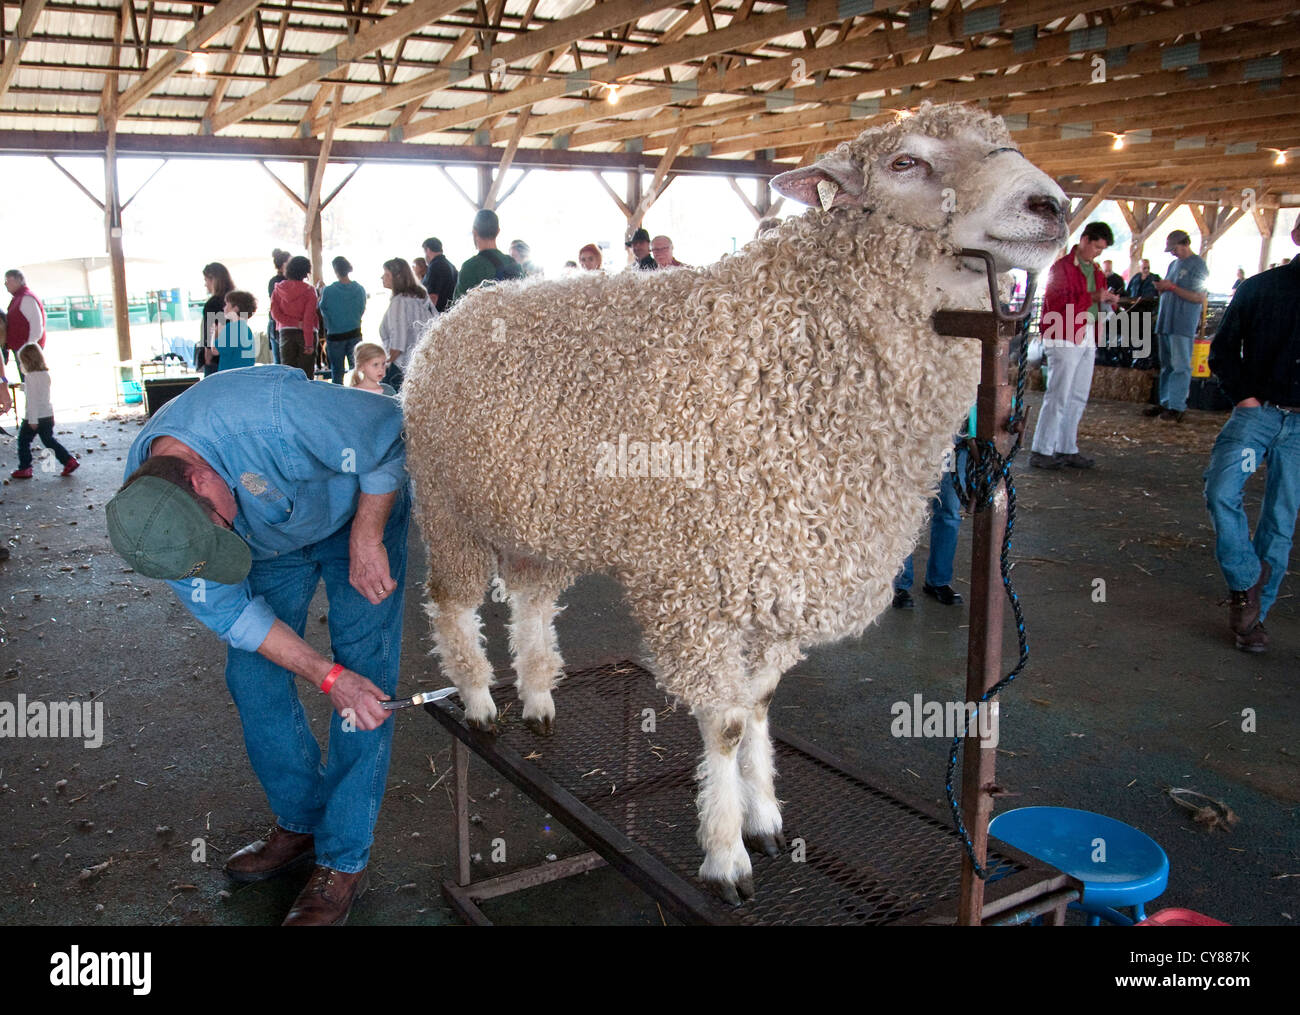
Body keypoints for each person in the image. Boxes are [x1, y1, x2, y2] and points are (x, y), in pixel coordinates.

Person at [105, 367, 409, 925]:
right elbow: (235, 614)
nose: (215, 539)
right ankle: (300, 823)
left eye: (216, 528)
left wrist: (368, 535)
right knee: (254, 676)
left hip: (357, 515)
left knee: (365, 681)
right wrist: (325, 675)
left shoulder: (270, 413)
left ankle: (343, 859)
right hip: (269, 544)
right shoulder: (151, 522)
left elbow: (389, 430)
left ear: (200, 478)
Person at [1202, 219, 1300, 654]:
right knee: (1221, 489)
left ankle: (1253, 616)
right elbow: (1223, 349)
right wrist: (1244, 398)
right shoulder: (1261, 288)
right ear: (1297, 235)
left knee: (1282, 517)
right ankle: (1245, 581)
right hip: (1258, 415)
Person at [1029, 221, 1120, 470]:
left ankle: (1067, 447)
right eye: (1096, 247)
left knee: (1078, 394)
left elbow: (1098, 302)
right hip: (1063, 333)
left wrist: (1110, 301)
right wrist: (1092, 297)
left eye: (1102, 250)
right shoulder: (1062, 268)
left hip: (1088, 332)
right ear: (1085, 240)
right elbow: (1057, 300)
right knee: (1058, 393)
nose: (1098, 253)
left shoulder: (1097, 271)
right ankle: (1041, 449)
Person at [892, 442, 968, 609]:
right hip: (918, 438)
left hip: (951, 444)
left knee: (949, 509)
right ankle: (900, 583)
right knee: (907, 509)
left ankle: (939, 581)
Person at [1144, 229, 1208, 423]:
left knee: (1180, 365)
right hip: (1166, 320)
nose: (1173, 253)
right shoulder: (1173, 264)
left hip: (1182, 322)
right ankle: (1165, 401)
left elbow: (1199, 297)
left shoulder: (1198, 265)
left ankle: (1177, 405)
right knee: (1167, 365)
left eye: (1175, 249)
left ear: (1185, 243)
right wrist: (1162, 287)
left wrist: (1171, 287)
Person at [10, 344, 77, 479]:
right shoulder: (45, 375)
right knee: (49, 441)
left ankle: (25, 467)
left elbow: (32, 400)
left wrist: (32, 420)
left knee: (23, 441)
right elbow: (40, 391)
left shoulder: (29, 378)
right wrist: (24, 387)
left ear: (27, 361)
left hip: (34, 417)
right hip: (47, 415)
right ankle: (68, 460)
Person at [379, 257, 434, 393]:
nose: (382, 277)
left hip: (401, 367)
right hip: (423, 363)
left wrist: (385, 364)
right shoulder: (421, 296)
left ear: (397, 277)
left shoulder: (399, 302)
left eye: (386, 274)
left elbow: (398, 343)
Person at [452, 209, 525, 304]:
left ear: (474, 232)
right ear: (498, 231)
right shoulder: (514, 264)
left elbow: (456, 310)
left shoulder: (470, 267)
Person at [318, 256, 367, 385]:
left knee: (337, 372)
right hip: (355, 333)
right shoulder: (359, 289)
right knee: (356, 372)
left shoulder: (328, 291)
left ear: (335, 270)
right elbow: (362, 309)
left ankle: (338, 401)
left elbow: (322, 309)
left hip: (335, 336)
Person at [270, 255, 319, 378]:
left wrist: (292, 322)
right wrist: (308, 343)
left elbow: (275, 314)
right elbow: (308, 318)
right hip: (306, 334)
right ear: (306, 272)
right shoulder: (310, 291)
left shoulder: (278, 289)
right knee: (306, 375)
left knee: (288, 373)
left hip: (285, 333)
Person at [4, 269, 46, 375]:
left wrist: (29, 348)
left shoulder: (26, 298)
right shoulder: (18, 298)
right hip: (23, 348)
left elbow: (37, 326)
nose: (5, 284)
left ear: (18, 280)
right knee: (27, 381)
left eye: (8, 280)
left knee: (33, 380)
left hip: (28, 350)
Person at [199, 263, 236, 377]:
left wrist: (208, 355)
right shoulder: (236, 300)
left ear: (213, 280)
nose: (205, 284)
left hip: (217, 358)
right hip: (234, 354)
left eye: (206, 280)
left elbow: (209, 333)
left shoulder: (212, 303)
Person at [214, 291, 260, 371]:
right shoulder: (246, 329)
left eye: (226, 304)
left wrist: (217, 331)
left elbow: (215, 351)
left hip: (230, 376)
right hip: (245, 374)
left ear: (235, 308)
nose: (223, 308)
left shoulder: (232, 328)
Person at [421, 237, 458, 313]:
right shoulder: (450, 265)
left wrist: (423, 316)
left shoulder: (435, 266)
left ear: (427, 250)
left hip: (438, 316)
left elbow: (433, 297)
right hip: (450, 313)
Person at [266, 249, 291, 365]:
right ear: (282, 265)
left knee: (281, 362)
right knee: (282, 362)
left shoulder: (275, 281)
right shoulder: (277, 282)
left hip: (278, 324)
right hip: (278, 325)